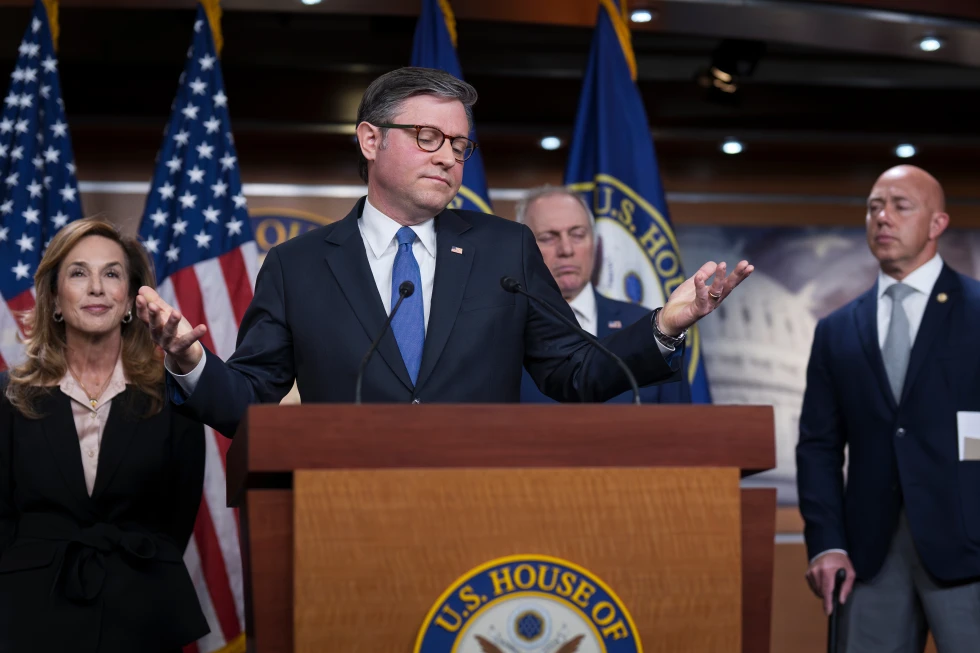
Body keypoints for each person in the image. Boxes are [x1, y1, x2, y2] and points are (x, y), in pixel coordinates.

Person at [135, 67, 752, 437]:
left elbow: (575, 372)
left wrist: (665, 326)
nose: (448, 157)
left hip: (482, 505)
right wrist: (191, 362)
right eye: (428, 136)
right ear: (370, 140)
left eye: (459, 145)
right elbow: (250, 401)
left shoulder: (505, 249)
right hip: (345, 510)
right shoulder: (297, 266)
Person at [0, 218, 208, 653]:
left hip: (143, 614)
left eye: (111, 273)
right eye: (79, 273)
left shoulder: (172, 394)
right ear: (55, 299)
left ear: (130, 299)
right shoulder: (9, 396)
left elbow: (178, 516)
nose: (96, 287)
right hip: (30, 616)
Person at [797, 165, 980, 652]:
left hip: (970, 552)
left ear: (937, 223)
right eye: (874, 207)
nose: (883, 217)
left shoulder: (977, 311)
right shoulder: (837, 329)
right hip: (869, 558)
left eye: (901, 206)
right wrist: (826, 542)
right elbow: (818, 446)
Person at [515, 185, 692, 404]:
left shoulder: (650, 329)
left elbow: (678, 419)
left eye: (578, 235)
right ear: (522, 249)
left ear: (595, 244)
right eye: (548, 238)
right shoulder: (505, 331)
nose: (566, 250)